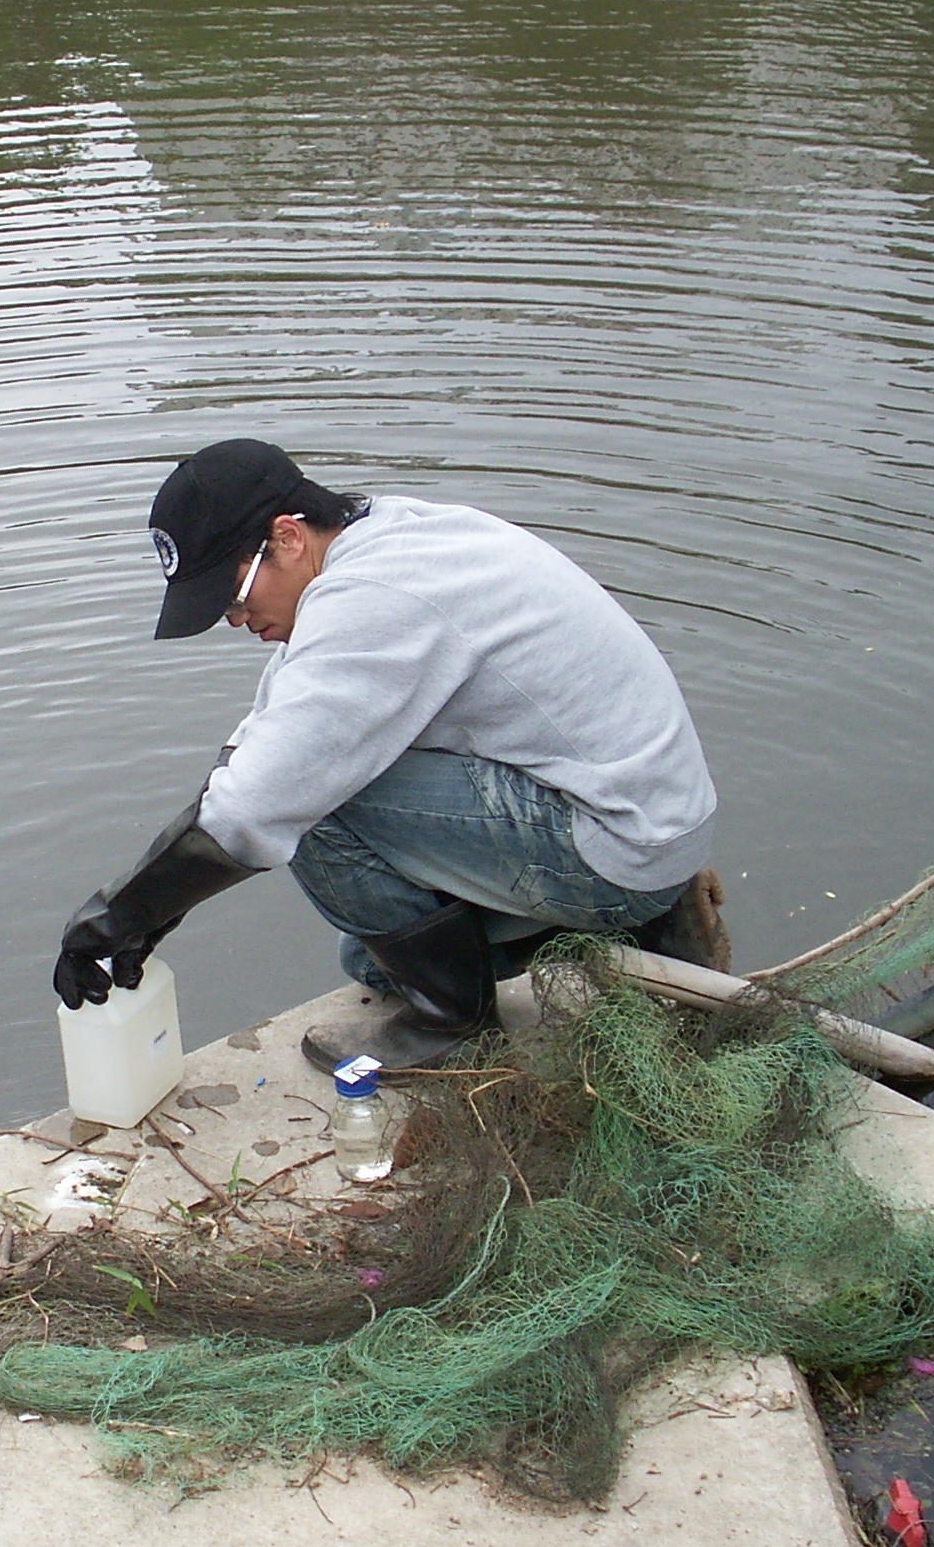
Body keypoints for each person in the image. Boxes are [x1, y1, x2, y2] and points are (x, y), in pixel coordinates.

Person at [51, 439, 728, 1073]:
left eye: (231, 597)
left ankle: (455, 1024)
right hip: (646, 812)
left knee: (314, 806)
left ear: (287, 536)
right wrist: (151, 909)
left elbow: (265, 795)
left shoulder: (373, 599)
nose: (233, 620)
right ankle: (647, 930)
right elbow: (264, 738)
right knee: (373, 960)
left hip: (619, 838)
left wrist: (119, 917)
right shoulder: (382, 539)